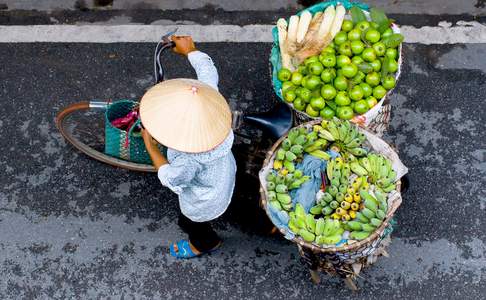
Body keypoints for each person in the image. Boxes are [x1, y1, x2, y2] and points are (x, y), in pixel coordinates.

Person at [140, 35, 236, 259]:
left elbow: (172, 178)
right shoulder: (209, 98)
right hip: (226, 170)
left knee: (191, 222)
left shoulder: (187, 158)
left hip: (206, 199)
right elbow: (208, 72)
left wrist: (150, 147)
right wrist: (190, 50)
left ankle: (204, 244)